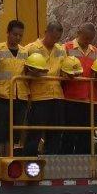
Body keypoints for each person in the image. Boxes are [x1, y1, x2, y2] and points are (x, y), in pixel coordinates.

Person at [23, 22, 67, 155]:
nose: (55, 41)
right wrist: (31, 73)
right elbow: (22, 71)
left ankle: (51, 160)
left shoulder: (61, 50)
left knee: (55, 132)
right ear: (46, 32)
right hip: (39, 97)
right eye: (53, 37)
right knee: (35, 132)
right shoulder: (30, 49)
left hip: (57, 96)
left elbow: (64, 69)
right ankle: (29, 160)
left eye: (57, 38)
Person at [0, 20, 28, 156]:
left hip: (20, 97)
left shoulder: (25, 52)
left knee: (15, 131)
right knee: (2, 131)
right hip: (3, 96)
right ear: (8, 33)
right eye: (15, 34)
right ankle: (1, 160)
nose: (17, 38)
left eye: (20, 35)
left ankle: (11, 158)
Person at [61, 23, 97, 154]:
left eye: (90, 39)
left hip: (90, 99)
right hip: (71, 98)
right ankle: (65, 161)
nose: (87, 41)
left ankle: (85, 163)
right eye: (86, 37)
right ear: (79, 33)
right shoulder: (66, 48)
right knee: (69, 134)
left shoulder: (95, 51)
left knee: (86, 136)